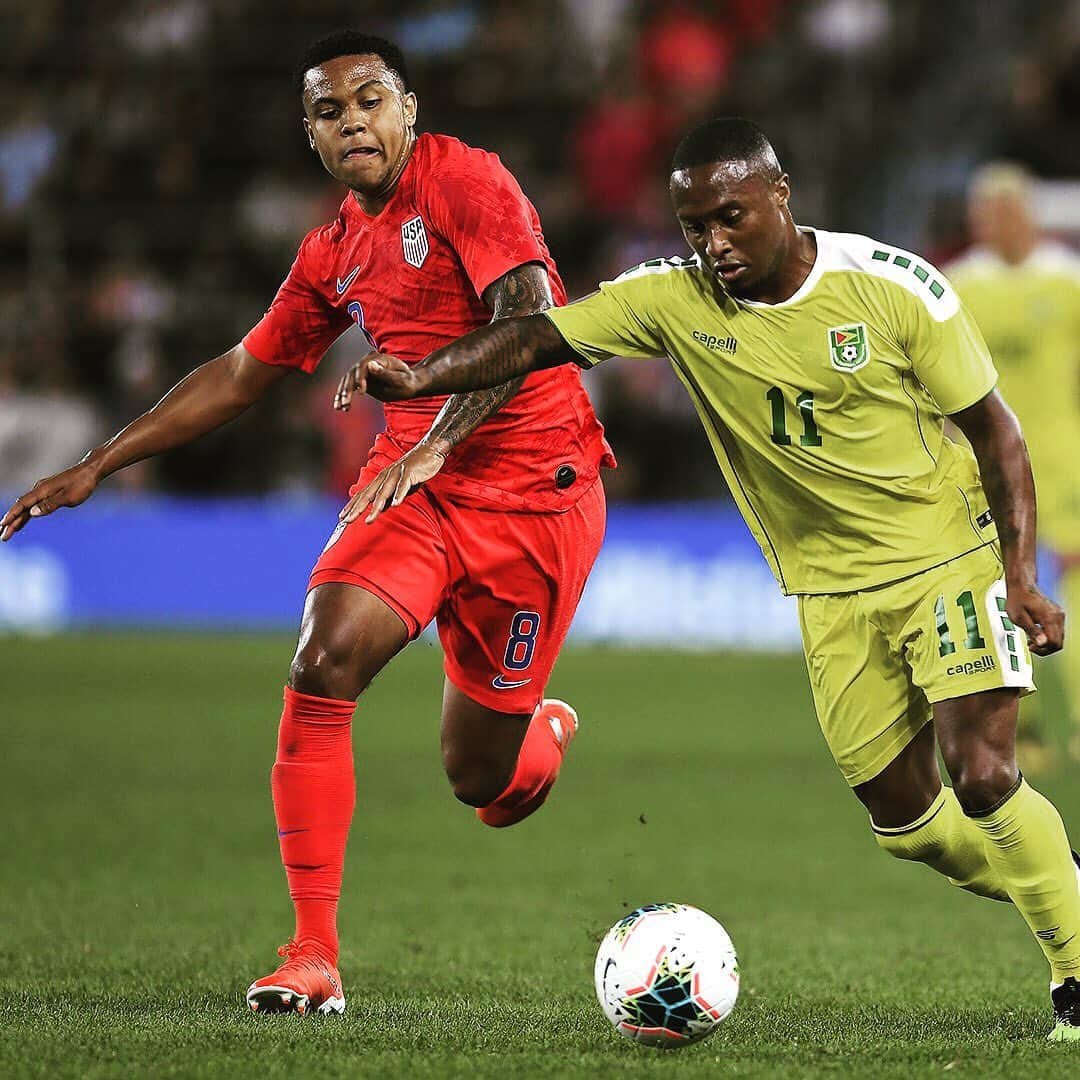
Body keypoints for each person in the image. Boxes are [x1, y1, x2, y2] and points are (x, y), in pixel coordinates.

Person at [339, 117, 1080, 1041]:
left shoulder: (893, 289)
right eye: (694, 226)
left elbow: (996, 433)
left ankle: (1073, 974)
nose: (713, 244)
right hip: (829, 593)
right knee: (913, 825)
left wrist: (1021, 577)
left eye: (731, 218)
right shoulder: (673, 300)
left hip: (946, 556)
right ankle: (1066, 882)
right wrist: (420, 377)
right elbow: (535, 336)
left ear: (781, 196)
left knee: (982, 774)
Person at [0, 30, 613, 1017]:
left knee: (482, 779)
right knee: (324, 658)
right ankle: (312, 951)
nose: (353, 121)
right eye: (330, 111)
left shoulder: (468, 182)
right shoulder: (336, 248)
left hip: (537, 491)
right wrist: (98, 462)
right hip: (410, 489)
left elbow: (530, 318)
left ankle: (536, 730)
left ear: (408, 110)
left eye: (371, 100)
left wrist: (436, 442)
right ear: (311, 135)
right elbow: (245, 371)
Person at [948, 162, 1080, 769]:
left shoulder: (1067, 282)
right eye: (986, 214)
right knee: (995, 595)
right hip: (987, 468)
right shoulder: (956, 287)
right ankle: (1013, 734)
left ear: (1027, 215)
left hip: (1063, 461)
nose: (997, 225)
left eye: (1008, 211)